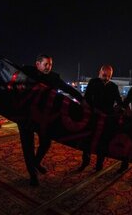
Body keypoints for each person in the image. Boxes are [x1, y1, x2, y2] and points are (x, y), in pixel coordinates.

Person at [18, 54, 85, 186]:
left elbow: (68, 89)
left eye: (50, 64)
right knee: (28, 146)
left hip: (43, 117)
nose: (48, 67)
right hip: (25, 116)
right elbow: (8, 68)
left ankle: (36, 162)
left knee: (46, 142)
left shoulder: (54, 77)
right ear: (37, 64)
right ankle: (33, 175)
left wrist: (82, 100)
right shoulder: (27, 71)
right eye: (46, 64)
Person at [77, 65, 123, 171]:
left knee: (102, 142)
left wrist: (118, 108)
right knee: (87, 140)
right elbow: (87, 98)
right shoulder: (93, 82)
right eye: (104, 75)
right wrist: (92, 109)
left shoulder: (113, 87)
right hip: (93, 116)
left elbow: (119, 102)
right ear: (100, 72)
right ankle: (85, 162)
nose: (106, 78)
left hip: (106, 118)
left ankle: (99, 164)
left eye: (109, 76)